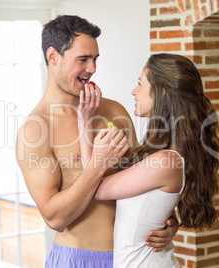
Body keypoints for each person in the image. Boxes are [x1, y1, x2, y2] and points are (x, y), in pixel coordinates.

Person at [15, 15, 178, 268]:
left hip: (135, 257)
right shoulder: (35, 130)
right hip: (79, 259)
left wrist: (169, 221)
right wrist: (97, 165)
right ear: (53, 56)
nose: (92, 68)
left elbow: (145, 182)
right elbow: (54, 217)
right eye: (83, 59)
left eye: (95, 59)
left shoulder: (115, 111)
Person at [78, 53, 219, 267]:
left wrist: (84, 122)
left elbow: (94, 189)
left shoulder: (165, 161)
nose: (133, 92)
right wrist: (169, 222)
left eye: (139, 84)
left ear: (161, 91)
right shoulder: (167, 154)